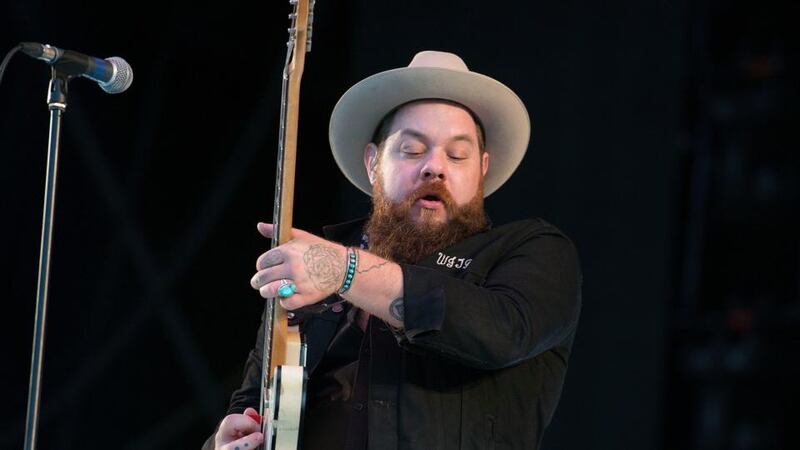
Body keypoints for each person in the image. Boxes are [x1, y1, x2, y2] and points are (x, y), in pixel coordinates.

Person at [204, 50, 582, 450]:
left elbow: (501, 332)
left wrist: (344, 270)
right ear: (372, 162)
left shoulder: (531, 250)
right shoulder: (313, 273)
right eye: (412, 150)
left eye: (457, 154)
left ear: (482, 168)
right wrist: (228, 437)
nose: (434, 167)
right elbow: (252, 401)